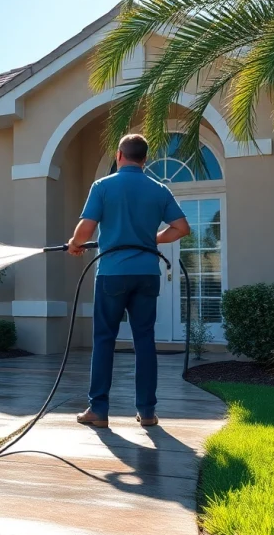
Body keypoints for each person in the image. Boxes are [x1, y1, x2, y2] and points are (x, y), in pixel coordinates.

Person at [66, 134, 191, 428]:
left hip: (112, 273)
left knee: (104, 339)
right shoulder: (159, 189)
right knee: (144, 340)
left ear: (119, 155)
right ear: (144, 159)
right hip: (147, 274)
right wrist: (152, 240)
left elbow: (86, 227)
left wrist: (74, 243)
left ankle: (98, 410)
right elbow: (182, 228)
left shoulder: (103, 186)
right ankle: (147, 412)